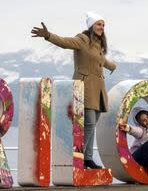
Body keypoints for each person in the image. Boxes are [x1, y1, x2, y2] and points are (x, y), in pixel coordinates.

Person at [31, 12, 116, 169]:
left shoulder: (98, 45)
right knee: (89, 122)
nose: (102, 27)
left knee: (92, 123)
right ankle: (81, 156)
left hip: (97, 91)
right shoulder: (82, 40)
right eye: (99, 24)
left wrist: (112, 66)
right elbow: (64, 42)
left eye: (103, 25)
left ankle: (88, 157)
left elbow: (100, 60)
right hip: (85, 88)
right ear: (91, 26)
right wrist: (48, 35)